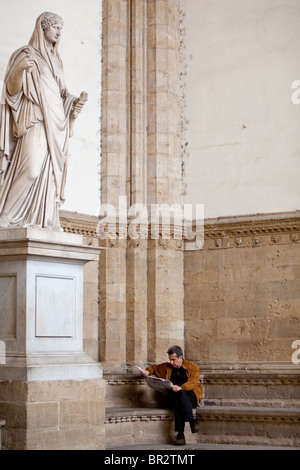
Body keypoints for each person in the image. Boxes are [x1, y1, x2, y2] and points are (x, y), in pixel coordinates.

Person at [0, 12, 86, 230]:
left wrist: (73, 104)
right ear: (43, 28)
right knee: (31, 169)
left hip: (57, 126)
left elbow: (61, 94)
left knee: (50, 177)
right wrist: (19, 69)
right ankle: (6, 215)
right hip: (36, 119)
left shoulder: (57, 61)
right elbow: (12, 91)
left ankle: (44, 218)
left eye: (61, 28)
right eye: (55, 26)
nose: (58, 32)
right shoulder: (26, 54)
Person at [141, 345, 203, 446]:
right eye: (170, 359)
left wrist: (181, 387)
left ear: (181, 358)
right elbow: (155, 368)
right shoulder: (167, 367)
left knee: (180, 396)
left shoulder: (193, 367)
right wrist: (147, 371)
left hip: (190, 397)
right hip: (173, 397)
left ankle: (180, 434)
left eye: (173, 360)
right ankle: (192, 421)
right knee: (179, 398)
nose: (171, 362)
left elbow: (193, 383)